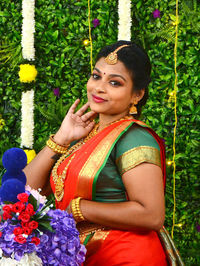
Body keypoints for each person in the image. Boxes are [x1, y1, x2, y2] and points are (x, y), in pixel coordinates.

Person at [24, 40, 168, 265]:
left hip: (125, 256)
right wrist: (62, 138)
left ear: (137, 95)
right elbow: (24, 193)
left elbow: (152, 214)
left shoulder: (134, 138)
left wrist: (80, 208)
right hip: (87, 254)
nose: (99, 87)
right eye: (96, 76)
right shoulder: (88, 136)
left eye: (114, 82)